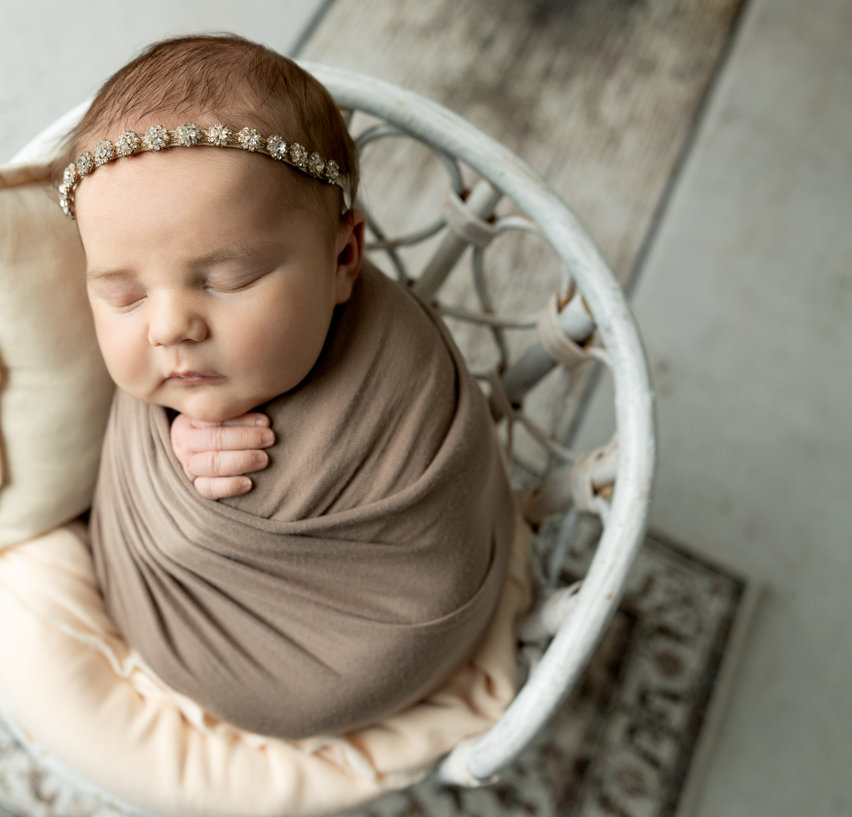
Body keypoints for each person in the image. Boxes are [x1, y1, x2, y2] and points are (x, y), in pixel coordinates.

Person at [55, 34, 521, 739]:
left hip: (352, 652)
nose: (169, 327)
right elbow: (151, 490)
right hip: (186, 606)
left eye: (227, 280)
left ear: (342, 258)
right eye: (122, 295)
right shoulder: (180, 356)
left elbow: (440, 543)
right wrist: (171, 440)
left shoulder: (399, 374)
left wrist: (207, 491)